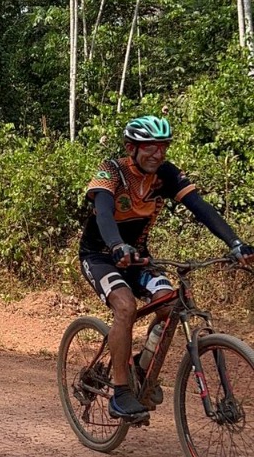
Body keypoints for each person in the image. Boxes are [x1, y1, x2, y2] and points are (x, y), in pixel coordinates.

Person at [79, 114, 254, 422]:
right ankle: (120, 394)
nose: (157, 154)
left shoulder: (166, 174)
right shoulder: (111, 170)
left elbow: (200, 207)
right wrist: (118, 246)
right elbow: (104, 213)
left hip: (139, 258)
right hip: (100, 255)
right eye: (150, 147)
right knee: (125, 306)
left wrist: (235, 243)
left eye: (163, 147)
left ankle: (140, 369)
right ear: (131, 147)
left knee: (171, 303)